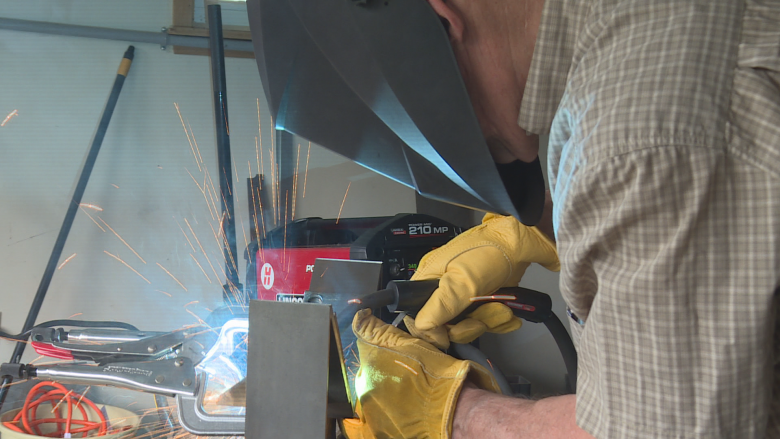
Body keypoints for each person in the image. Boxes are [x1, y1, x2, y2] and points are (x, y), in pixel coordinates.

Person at [247, 0, 779, 437]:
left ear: (445, 21)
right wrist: (522, 235)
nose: (475, 153)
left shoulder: (636, 127)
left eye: (446, 130)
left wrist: (456, 412)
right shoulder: (634, 45)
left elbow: (662, 428)